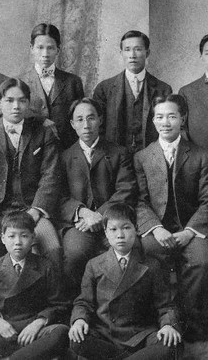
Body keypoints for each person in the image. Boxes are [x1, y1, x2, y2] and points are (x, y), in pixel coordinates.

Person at [0, 78, 62, 326]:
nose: (16, 106)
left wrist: (36, 211)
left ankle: (44, 319)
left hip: (32, 212)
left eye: (21, 100)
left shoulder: (43, 133)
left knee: (52, 249)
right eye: (9, 100)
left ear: (29, 103)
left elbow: (50, 177)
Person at [134, 94, 208, 341]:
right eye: (160, 117)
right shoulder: (143, 156)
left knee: (202, 263)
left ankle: (195, 331)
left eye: (172, 116)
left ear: (182, 119)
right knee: (148, 257)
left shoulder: (201, 154)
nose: (165, 122)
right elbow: (139, 201)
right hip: (158, 229)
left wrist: (189, 231)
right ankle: (158, 327)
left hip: (191, 229)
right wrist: (155, 228)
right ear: (153, 121)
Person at [69, 203, 182, 360]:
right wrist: (79, 320)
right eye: (113, 229)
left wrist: (168, 325)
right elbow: (84, 302)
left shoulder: (151, 264)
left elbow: (165, 305)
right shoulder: (94, 265)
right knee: (77, 340)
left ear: (136, 229)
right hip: (106, 333)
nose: (120, 235)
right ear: (106, 233)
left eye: (126, 228)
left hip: (139, 335)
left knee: (171, 343)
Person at [0, 211, 69, 360]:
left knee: (61, 332)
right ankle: (29, 354)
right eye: (11, 236)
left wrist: (38, 323)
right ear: (3, 239)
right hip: (7, 328)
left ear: (33, 238)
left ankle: (14, 357)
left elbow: (59, 304)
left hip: (34, 328)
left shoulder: (45, 266)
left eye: (24, 236)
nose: (18, 242)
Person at [59, 97, 137, 298]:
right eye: (80, 119)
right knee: (75, 253)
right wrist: (83, 212)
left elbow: (126, 190)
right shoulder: (64, 157)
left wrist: (100, 215)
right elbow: (59, 195)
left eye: (91, 118)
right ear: (72, 124)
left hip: (113, 221)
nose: (86, 125)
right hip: (79, 223)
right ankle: (76, 310)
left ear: (100, 120)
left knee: (127, 251)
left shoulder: (119, 153)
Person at [93, 30, 172, 154]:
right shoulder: (104, 88)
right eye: (127, 49)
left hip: (150, 157)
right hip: (115, 159)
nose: (132, 55)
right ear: (121, 53)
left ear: (147, 53)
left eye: (138, 49)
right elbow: (98, 129)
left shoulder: (163, 89)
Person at [20, 23, 84, 149]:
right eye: (40, 47)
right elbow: (6, 115)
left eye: (50, 48)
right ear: (31, 48)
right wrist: (40, 120)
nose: (45, 53)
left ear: (58, 50)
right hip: (30, 150)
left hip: (64, 150)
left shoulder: (73, 82)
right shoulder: (19, 82)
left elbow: (80, 118)